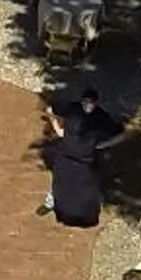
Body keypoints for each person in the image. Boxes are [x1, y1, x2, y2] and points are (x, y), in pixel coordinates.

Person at [36, 93, 108, 226]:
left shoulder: (100, 118)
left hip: (84, 163)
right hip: (66, 158)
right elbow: (60, 129)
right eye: (85, 102)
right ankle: (50, 202)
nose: (88, 105)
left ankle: (84, 211)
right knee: (59, 181)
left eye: (91, 102)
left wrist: (99, 146)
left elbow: (109, 137)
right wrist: (52, 119)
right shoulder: (73, 112)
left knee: (83, 187)